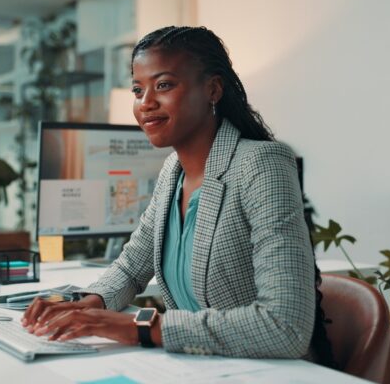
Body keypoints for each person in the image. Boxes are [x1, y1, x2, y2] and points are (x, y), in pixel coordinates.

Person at [22, 26, 335, 365]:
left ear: (212, 89)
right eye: (138, 89)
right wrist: (89, 302)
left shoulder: (261, 165)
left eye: (164, 85)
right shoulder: (173, 171)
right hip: (199, 367)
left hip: (267, 371)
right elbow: (131, 266)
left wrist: (139, 327)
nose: (146, 103)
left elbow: (284, 326)